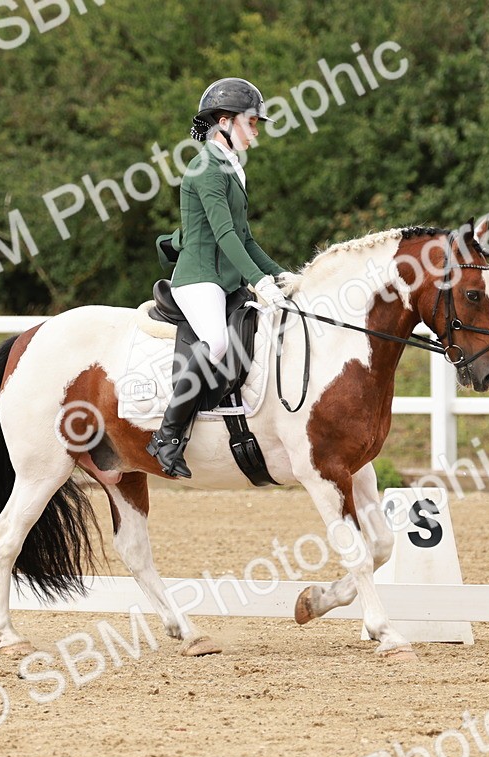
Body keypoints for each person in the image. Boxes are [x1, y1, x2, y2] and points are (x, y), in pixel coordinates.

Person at [146, 77, 300, 479]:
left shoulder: (232, 168)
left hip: (225, 279)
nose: (256, 131)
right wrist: (259, 282)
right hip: (199, 278)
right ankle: (167, 435)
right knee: (215, 341)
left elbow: (245, 238)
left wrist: (279, 275)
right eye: (252, 123)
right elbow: (224, 235)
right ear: (225, 122)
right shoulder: (205, 169)